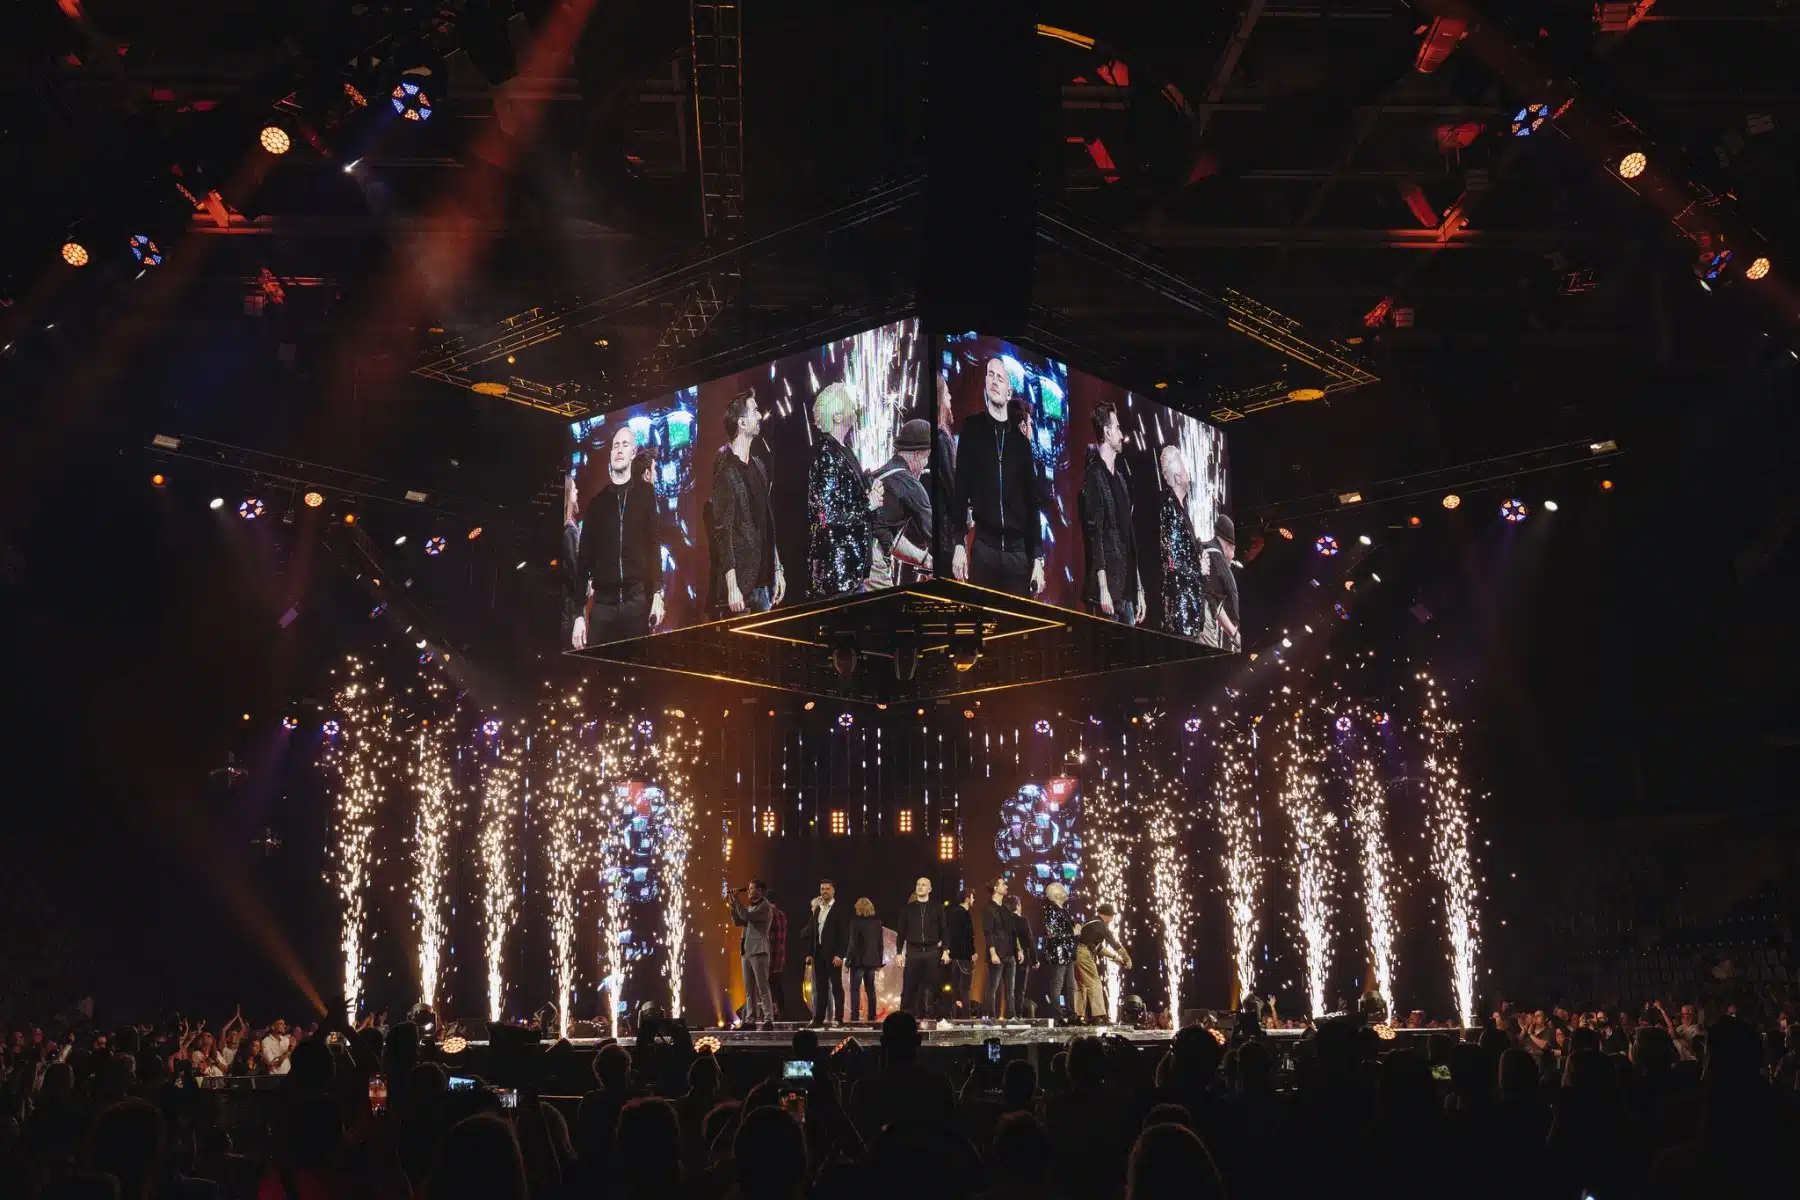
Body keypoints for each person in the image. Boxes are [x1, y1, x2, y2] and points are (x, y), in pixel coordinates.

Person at [949, 356, 1044, 597]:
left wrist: (1037, 558)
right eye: (990, 375)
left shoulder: (1021, 443)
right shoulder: (972, 428)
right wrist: (959, 541)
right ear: (984, 383)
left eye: (1000, 378)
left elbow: (1032, 503)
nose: (994, 381)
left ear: (1008, 391)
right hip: (984, 548)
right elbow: (960, 488)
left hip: (1017, 554)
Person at [571, 425, 666, 649]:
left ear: (633, 452)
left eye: (624, 445)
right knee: (598, 667)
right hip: (603, 607)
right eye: (615, 446)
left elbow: (653, 546)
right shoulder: (597, 504)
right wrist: (578, 614)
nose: (619, 450)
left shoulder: (645, 494)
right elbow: (583, 562)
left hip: (636, 603)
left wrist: (658, 592)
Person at [708, 390, 786, 616]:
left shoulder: (759, 466)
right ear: (742, 423)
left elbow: (767, 523)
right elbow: (723, 533)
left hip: (764, 584)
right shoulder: (725, 473)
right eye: (755, 411)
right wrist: (732, 586)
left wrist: (777, 569)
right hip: (741, 589)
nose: (760, 416)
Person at [805, 382, 879, 599]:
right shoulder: (827, 456)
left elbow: (850, 502)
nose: (854, 406)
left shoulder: (845, 450)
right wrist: (868, 504)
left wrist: (870, 494)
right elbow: (827, 516)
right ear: (837, 416)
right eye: (849, 403)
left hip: (852, 574)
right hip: (837, 579)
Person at [1080, 401, 1145, 625]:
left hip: (1126, 593)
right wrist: (1103, 588)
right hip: (1106, 595)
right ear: (1107, 432)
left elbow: (1129, 536)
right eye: (1117, 427)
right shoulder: (1094, 476)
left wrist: (1138, 589)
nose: (1120, 433)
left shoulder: (1121, 480)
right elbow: (1095, 534)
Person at [868, 417, 935, 587]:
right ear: (918, 454)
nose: (926, 464)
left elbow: (888, 540)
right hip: (872, 564)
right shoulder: (910, 484)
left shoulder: (880, 474)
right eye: (927, 457)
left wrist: (926, 560)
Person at [1156, 445, 1205, 639]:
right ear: (1177, 477)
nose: (1188, 474)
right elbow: (1173, 562)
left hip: (1189, 615)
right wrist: (1199, 568)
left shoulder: (1180, 509)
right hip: (1181, 616)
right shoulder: (1170, 510)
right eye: (1185, 470)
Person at [798, 879, 851, 1027]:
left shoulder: (839, 909)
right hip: (819, 954)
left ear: (833, 891)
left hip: (833, 955)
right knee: (820, 988)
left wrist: (840, 955)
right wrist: (810, 953)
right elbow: (813, 933)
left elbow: (844, 934)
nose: (824, 891)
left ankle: (839, 1019)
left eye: (827, 889)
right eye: (822, 889)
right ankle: (818, 1019)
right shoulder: (818, 910)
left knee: (836, 987)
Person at [899, 877, 949, 1018]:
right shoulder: (907, 909)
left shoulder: (938, 908)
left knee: (935, 987)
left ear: (929, 889)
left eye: (923, 884)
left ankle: (938, 1019)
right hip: (913, 952)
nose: (920, 887)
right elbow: (901, 932)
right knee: (909, 987)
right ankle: (905, 1019)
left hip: (932, 951)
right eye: (918, 884)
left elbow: (944, 929)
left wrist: (946, 950)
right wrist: (898, 953)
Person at [729, 881, 776, 1030]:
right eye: (748, 888)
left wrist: (737, 901)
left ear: (760, 890)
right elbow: (738, 921)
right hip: (747, 951)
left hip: (759, 950)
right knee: (749, 989)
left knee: (762, 987)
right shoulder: (751, 907)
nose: (748, 891)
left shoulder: (765, 906)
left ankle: (768, 1019)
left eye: (751, 888)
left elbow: (747, 915)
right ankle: (750, 1020)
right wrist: (733, 905)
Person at [1075, 903, 1132, 1022]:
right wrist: (1127, 959)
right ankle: (1099, 1015)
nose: (1112, 920)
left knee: (1081, 986)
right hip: (1084, 954)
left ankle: (1078, 1016)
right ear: (1107, 915)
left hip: (1077, 953)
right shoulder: (1100, 925)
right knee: (1094, 982)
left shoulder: (1090, 923)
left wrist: (1115, 958)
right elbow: (1115, 945)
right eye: (1112, 916)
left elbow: (1097, 948)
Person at [1196, 513, 1240, 652]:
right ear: (1229, 546)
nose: (1233, 557)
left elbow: (1215, 605)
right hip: (1202, 623)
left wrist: (1234, 633)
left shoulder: (1203, 548)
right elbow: (1234, 596)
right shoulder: (1219, 561)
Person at [1042, 883, 1078, 1021]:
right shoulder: (1051, 910)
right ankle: (1057, 1016)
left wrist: (1075, 929)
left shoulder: (1064, 910)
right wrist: (1072, 932)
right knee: (1057, 983)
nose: (1066, 892)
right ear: (1056, 895)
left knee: (1070, 984)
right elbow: (1052, 933)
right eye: (1063, 890)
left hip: (1068, 952)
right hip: (1058, 952)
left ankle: (1072, 1014)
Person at [846, 897, 885, 1024]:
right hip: (872, 961)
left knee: (855, 990)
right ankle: (872, 1017)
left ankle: (855, 1017)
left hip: (858, 962)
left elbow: (852, 944)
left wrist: (847, 962)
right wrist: (879, 962)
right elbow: (880, 944)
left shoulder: (855, 923)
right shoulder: (877, 923)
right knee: (871, 990)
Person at [981, 879, 1014, 1020]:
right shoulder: (988, 908)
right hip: (997, 953)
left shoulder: (1006, 908)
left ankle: (1011, 1016)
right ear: (995, 888)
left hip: (1009, 953)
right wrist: (993, 953)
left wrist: (1018, 950)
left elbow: (1012, 931)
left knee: (1010, 989)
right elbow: (988, 932)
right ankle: (991, 1016)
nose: (1006, 886)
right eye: (1002, 884)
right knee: (993, 987)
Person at [945, 889, 978, 1018]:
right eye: (972, 897)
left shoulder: (952, 913)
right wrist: (972, 952)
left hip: (954, 956)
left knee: (955, 987)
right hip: (964, 957)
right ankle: (966, 1018)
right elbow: (968, 936)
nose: (974, 900)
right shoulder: (964, 914)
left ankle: (953, 1016)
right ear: (967, 899)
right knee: (965, 988)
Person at [1004, 893, 1034, 1017]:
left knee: (1009, 988)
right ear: (1017, 906)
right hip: (1022, 958)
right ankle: (1018, 1014)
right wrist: (1035, 959)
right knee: (1020, 989)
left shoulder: (1006, 920)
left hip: (1007, 956)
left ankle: (1010, 1013)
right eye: (1020, 905)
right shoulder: (1022, 920)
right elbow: (1030, 940)